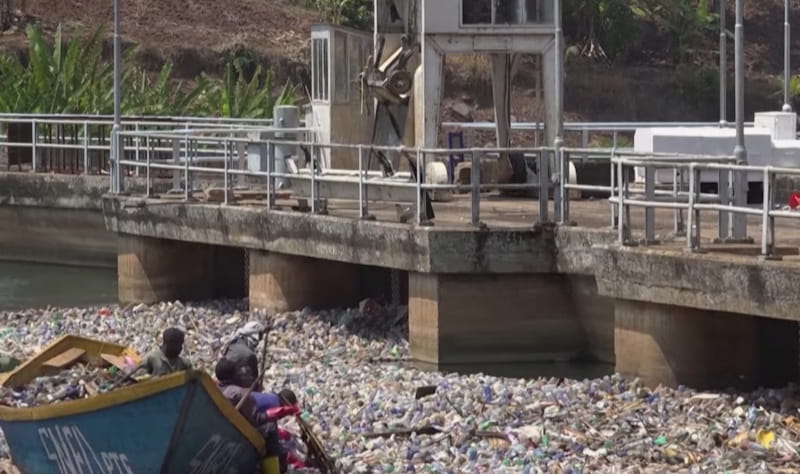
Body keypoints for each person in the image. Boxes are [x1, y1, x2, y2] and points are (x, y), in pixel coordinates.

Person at [215, 359, 287, 473]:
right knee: (271, 427)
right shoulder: (239, 393)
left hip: (220, 429)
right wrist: (270, 415)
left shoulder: (215, 389)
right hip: (238, 433)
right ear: (234, 375)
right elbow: (256, 419)